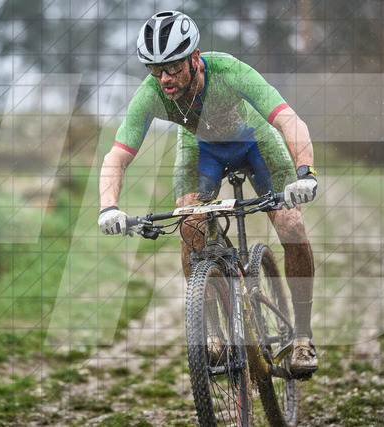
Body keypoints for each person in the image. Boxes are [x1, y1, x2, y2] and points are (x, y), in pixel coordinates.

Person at [97, 10, 318, 377]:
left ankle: (303, 336)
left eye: (172, 67)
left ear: (194, 58)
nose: (164, 78)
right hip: (201, 151)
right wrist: (109, 207)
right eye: (155, 69)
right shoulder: (151, 92)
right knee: (190, 225)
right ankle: (212, 331)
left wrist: (304, 174)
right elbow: (117, 156)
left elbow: (287, 119)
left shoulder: (229, 71)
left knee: (291, 226)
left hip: (255, 142)